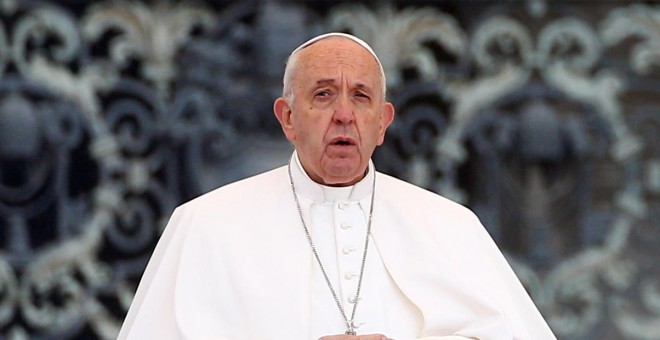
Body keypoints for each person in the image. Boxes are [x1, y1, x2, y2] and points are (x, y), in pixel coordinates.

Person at [118, 32, 556, 340]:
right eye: (324, 94)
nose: (344, 114)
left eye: (361, 96)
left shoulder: (452, 226)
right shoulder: (204, 225)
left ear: (382, 123)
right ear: (287, 117)